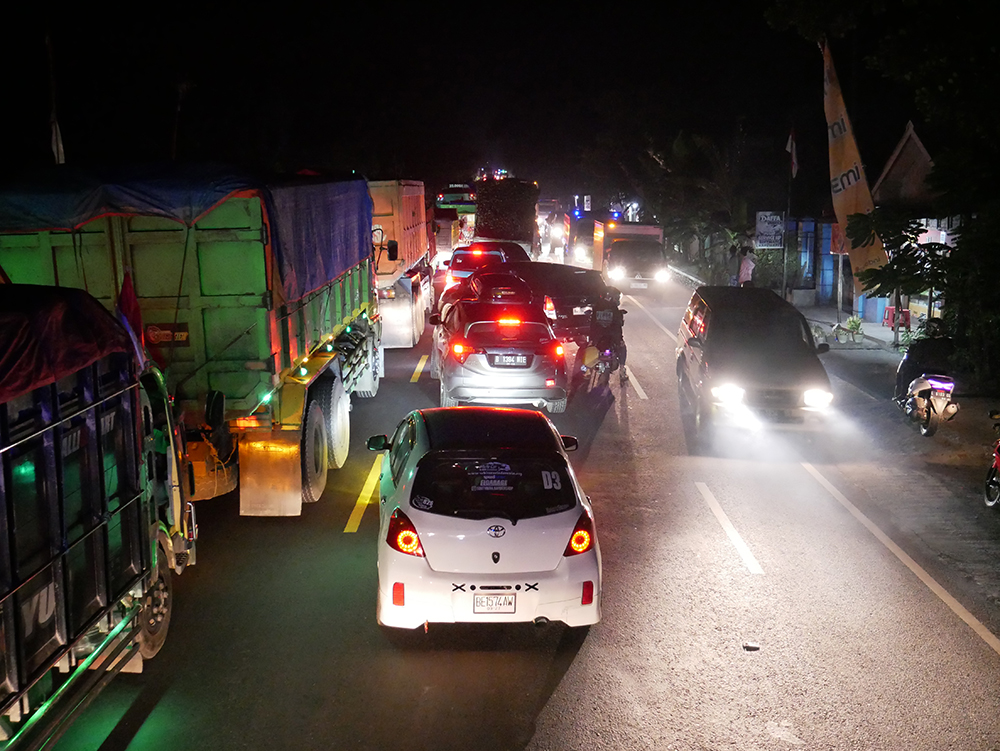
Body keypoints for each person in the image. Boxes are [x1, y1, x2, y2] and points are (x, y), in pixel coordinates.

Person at [894, 317, 955, 401]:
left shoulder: (924, 344)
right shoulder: (949, 343)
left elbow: (915, 357)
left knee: (908, 370)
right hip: (944, 371)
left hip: (925, 369)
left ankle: (904, 394)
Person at [588, 286, 628, 381]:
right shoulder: (614, 309)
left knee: (589, 349)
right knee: (622, 347)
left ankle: (587, 371)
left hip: (597, 336)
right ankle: (622, 370)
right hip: (612, 336)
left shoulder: (597, 307)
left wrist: (591, 339)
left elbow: (592, 325)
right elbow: (618, 326)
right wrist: (620, 339)